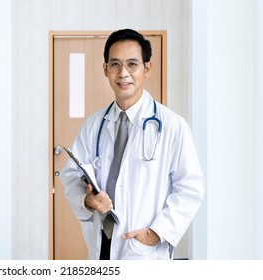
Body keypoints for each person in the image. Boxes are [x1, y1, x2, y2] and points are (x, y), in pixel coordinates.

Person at [59, 29, 204, 260]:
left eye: (132, 64)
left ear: (147, 68)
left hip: (144, 249)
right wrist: (87, 200)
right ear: (105, 69)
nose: (123, 73)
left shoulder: (173, 127)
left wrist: (157, 233)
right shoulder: (93, 125)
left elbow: (190, 188)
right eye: (115, 64)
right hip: (102, 245)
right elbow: (71, 176)